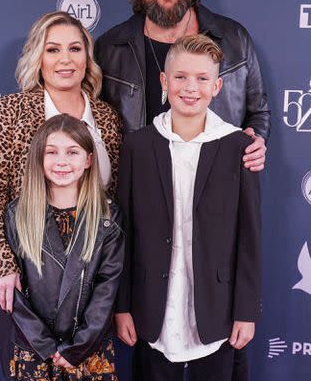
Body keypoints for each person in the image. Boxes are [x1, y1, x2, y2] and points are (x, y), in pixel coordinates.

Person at [0, 11, 122, 379]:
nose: (65, 59)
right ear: (38, 57)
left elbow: (112, 193)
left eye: (75, 48)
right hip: (23, 274)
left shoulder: (106, 117)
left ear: (87, 58)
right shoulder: (11, 111)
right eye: (53, 49)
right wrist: (1, 264)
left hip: (87, 275)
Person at [116, 34, 261, 381]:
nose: (190, 87)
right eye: (180, 77)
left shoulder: (239, 146)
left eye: (201, 78)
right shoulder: (138, 145)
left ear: (217, 86)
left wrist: (246, 311)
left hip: (217, 308)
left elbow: (249, 237)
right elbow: (124, 233)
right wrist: (122, 306)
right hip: (152, 308)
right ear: (165, 82)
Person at [96, 0, 270, 172]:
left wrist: (257, 138)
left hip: (214, 193)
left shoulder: (234, 38)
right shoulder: (110, 48)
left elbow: (258, 113)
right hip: (139, 199)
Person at [4, 114, 124, 380]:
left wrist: (80, 345)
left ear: (88, 160)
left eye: (72, 152)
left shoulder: (107, 217)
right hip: (34, 351)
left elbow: (108, 287)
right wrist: (44, 344)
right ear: (38, 158)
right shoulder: (18, 214)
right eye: (52, 152)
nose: (62, 161)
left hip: (88, 352)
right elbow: (13, 292)